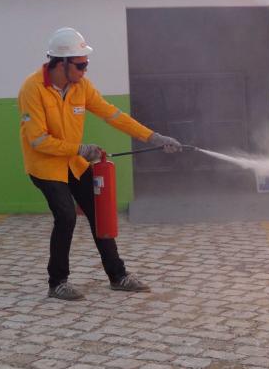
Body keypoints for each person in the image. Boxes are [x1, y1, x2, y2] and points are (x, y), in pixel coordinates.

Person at [19, 27, 180, 301]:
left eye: (86, 64)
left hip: (73, 164)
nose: (85, 71)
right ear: (62, 62)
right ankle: (57, 282)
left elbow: (113, 114)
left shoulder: (81, 87)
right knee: (66, 216)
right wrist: (80, 148)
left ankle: (118, 276)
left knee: (99, 212)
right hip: (45, 167)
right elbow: (37, 141)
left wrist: (152, 137)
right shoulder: (32, 89)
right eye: (81, 65)